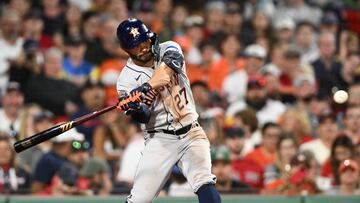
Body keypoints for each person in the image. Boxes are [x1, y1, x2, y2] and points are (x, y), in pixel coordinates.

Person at [116, 18, 221, 203]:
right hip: (159, 139)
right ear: (125, 49)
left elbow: (167, 70)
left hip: (191, 131)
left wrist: (145, 88)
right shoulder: (126, 80)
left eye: (144, 41)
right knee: (139, 199)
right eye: (135, 45)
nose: (143, 47)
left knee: (204, 181)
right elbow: (145, 116)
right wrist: (135, 108)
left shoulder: (169, 48)